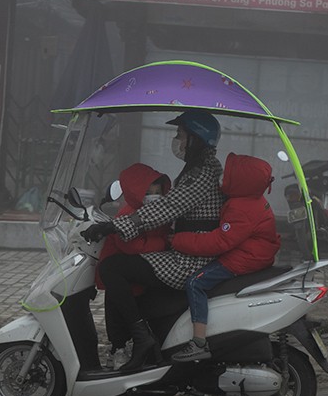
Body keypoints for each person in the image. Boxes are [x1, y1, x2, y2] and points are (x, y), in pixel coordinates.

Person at [83, 109, 225, 371]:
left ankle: (141, 339)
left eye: (180, 135)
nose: (177, 140)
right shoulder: (198, 168)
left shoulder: (202, 173)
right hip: (185, 249)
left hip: (190, 260)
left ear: (196, 138)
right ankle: (126, 344)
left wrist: (115, 225)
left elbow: (168, 207)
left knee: (112, 268)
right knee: (119, 268)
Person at [169, 153, 281, 361]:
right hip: (254, 253)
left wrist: (177, 240)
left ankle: (199, 342)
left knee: (195, 282)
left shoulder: (242, 208)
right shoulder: (250, 199)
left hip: (244, 258)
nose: (223, 179)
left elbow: (218, 242)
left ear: (242, 182)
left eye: (229, 176)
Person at [95, 163, 171, 369]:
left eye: (157, 189)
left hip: (144, 269)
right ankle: (118, 348)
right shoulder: (127, 216)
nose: (154, 194)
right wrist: (165, 244)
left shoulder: (163, 212)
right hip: (129, 273)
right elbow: (132, 247)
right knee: (116, 308)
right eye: (148, 191)